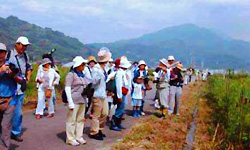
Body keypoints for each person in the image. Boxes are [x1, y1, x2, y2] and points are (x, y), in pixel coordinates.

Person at [7, 36, 32, 142]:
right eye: (22, 45)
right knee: (7, 112)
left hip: (20, 88)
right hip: (9, 88)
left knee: (18, 112)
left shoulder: (25, 56)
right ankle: (5, 131)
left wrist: (27, 79)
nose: (24, 47)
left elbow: (29, 68)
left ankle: (15, 132)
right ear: (17, 44)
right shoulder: (9, 55)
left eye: (25, 46)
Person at [0, 43, 24, 150]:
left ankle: (5, 147)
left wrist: (13, 75)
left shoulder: (11, 65)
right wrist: (1, 70)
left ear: (5, 54)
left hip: (9, 100)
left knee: (6, 127)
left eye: (2, 52)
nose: (0, 54)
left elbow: (21, 80)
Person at [65, 56, 89, 146]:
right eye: (82, 64)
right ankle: (70, 138)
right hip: (74, 100)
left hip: (82, 99)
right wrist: (70, 102)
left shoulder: (82, 74)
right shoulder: (71, 74)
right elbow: (67, 88)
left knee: (80, 119)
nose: (84, 66)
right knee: (71, 120)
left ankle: (79, 136)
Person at [89, 47, 111, 140]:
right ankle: (94, 132)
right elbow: (94, 82)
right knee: (96, 114)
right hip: (97, 94)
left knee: (105, 113)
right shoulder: (96, 69)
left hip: (103, 93)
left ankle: (99, 128)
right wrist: (100, 76)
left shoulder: (103, 69)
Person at [110, 57, 131, 131]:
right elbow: (118, 85)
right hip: (121, 92)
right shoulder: (119, 73)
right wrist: (119, 95)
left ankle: (118, 123)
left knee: (121, 108)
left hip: (123, 92)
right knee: (120, 108)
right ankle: (114, 123)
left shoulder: (123, 72)